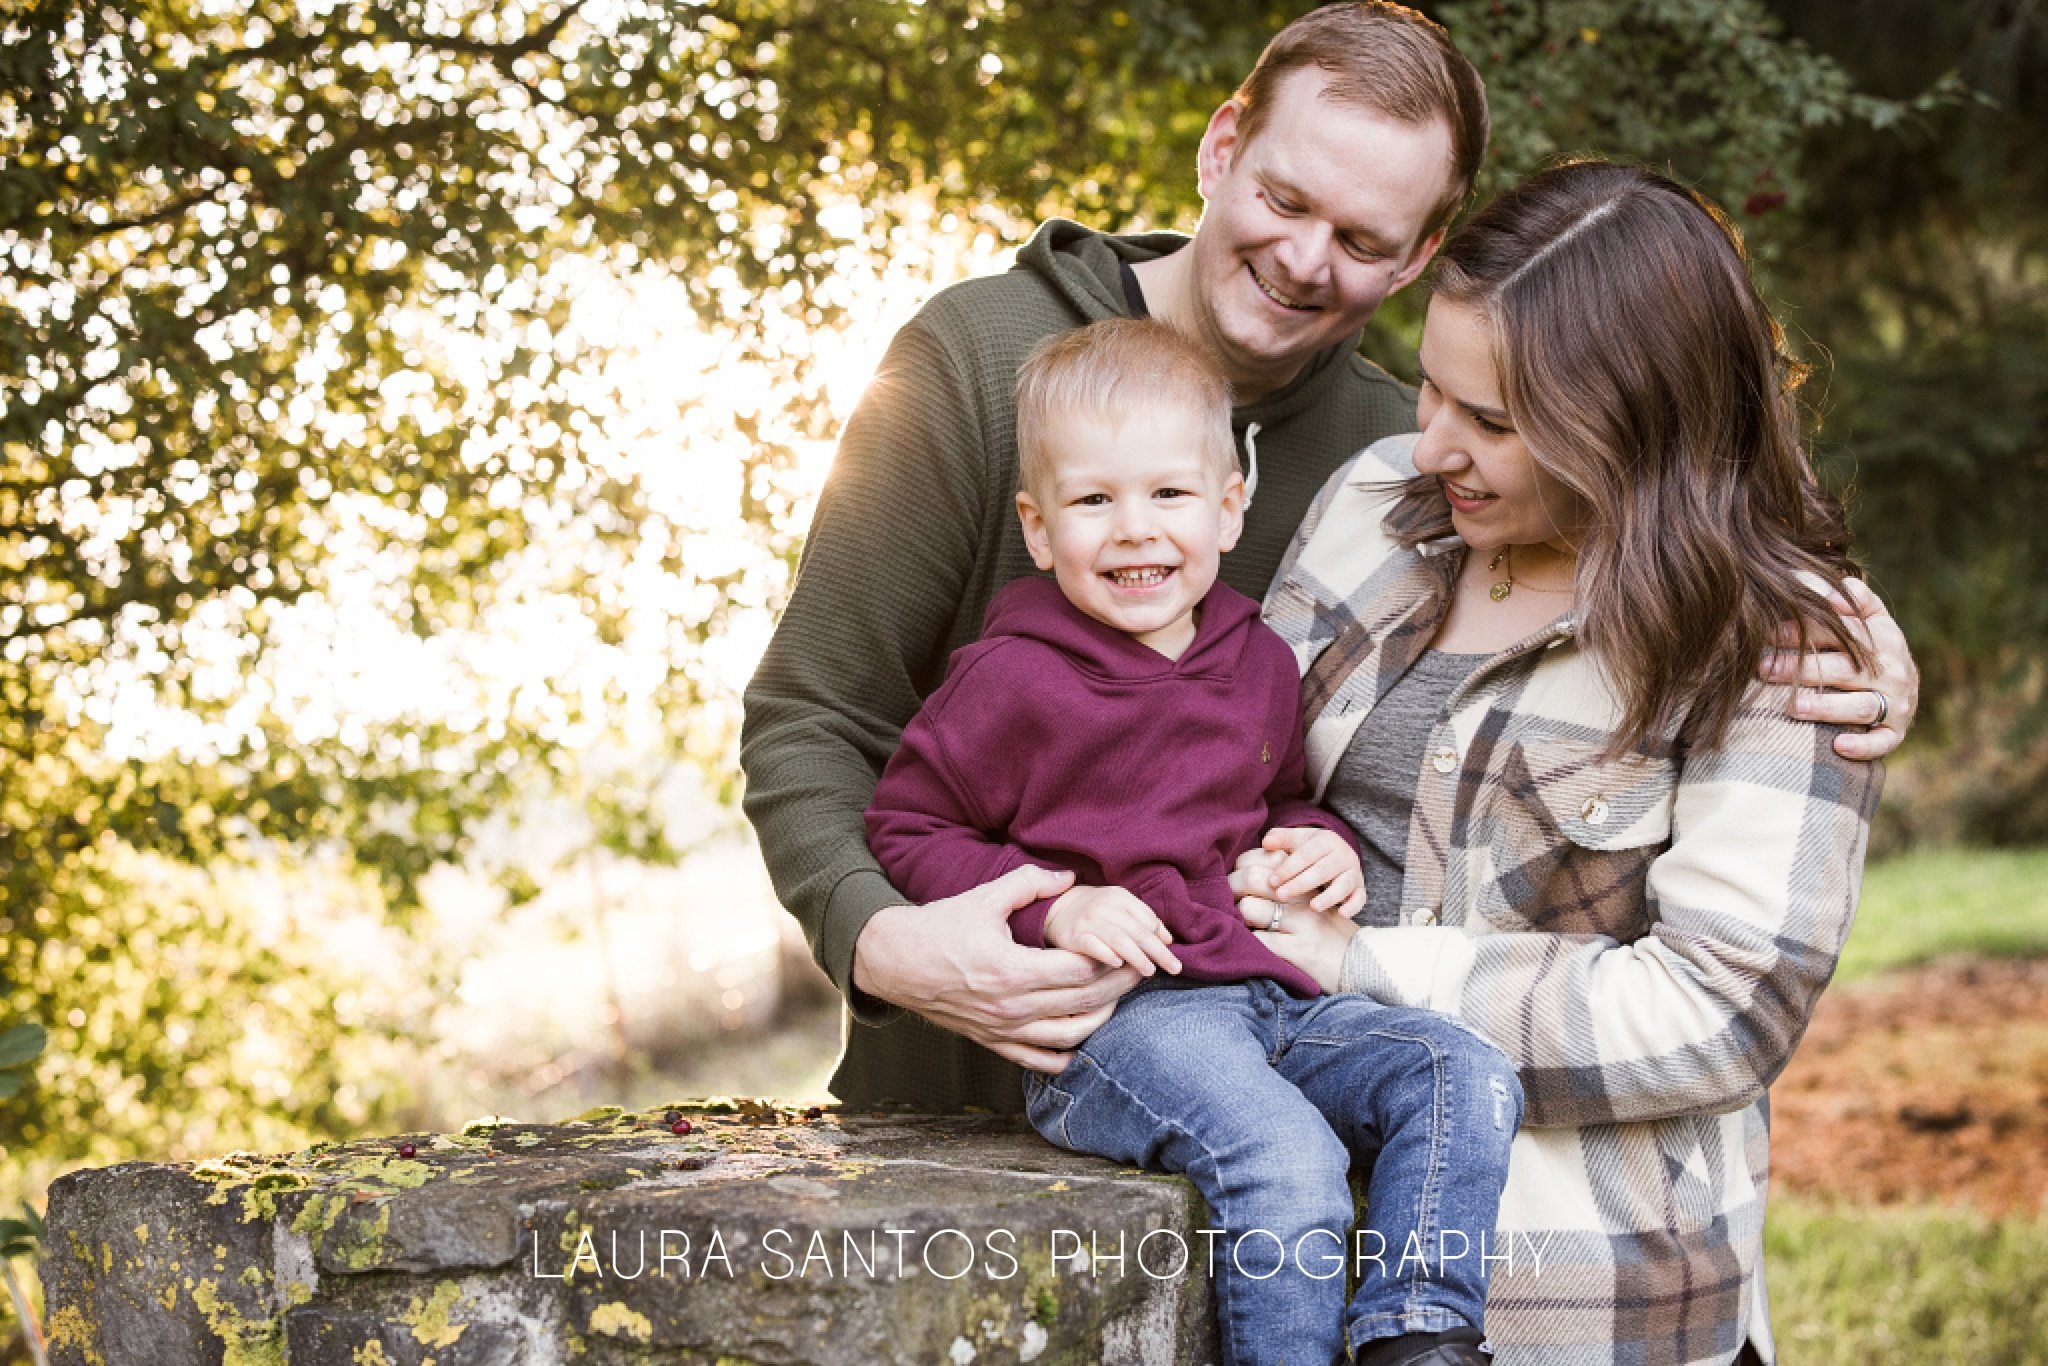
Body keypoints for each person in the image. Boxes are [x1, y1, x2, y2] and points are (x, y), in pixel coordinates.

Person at [738, 1, 1922, 1116]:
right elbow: (810, 716)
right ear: (1220, 150)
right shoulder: (980, 360)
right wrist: (884, 945)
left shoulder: (1398, 471)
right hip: (966, 1099)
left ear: (1418, 255)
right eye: (1283, 199)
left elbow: (1658, 510)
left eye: (1360, 238)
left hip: (1259, 1120)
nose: (1305, 260)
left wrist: (1836, 627)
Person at [1239, 159, 1884, 1366]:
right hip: (1286, 1263)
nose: (1433, 445)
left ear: (1636, 422)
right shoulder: (1370, 504)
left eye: (1489, 422)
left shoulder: (1780, 650)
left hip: (1565, 1307)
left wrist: (1361, 964)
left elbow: (1716, 1009)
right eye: (1428, 388)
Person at [864, 317, 1521, 1366]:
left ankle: (1417, 1335)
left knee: (1460, 1070)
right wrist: (1050, 903)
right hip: (1120, 1024)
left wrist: (1317, 847)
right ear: (1038, 529)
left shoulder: (1255, 658)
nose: (1133, 529)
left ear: (1226, 507)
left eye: (1168, 494)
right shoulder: (1009, 678)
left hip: (1268, 994)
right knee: (1287, 1155)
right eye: (1092, 500)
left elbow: (1277, 800)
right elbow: (906, 824)